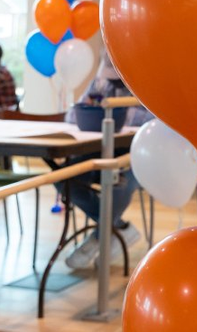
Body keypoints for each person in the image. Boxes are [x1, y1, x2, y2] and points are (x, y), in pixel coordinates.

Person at [58, 48, 151, 269]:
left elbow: (156, 120)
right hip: (99, 150)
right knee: (63, 179)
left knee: (118, 182)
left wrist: (116, 112)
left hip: (139, 154)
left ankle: (99, 238)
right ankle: (116, 228)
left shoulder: (150, 82)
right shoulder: (102, 82)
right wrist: (92, 109)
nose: (116, 83)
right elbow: (72, 116)